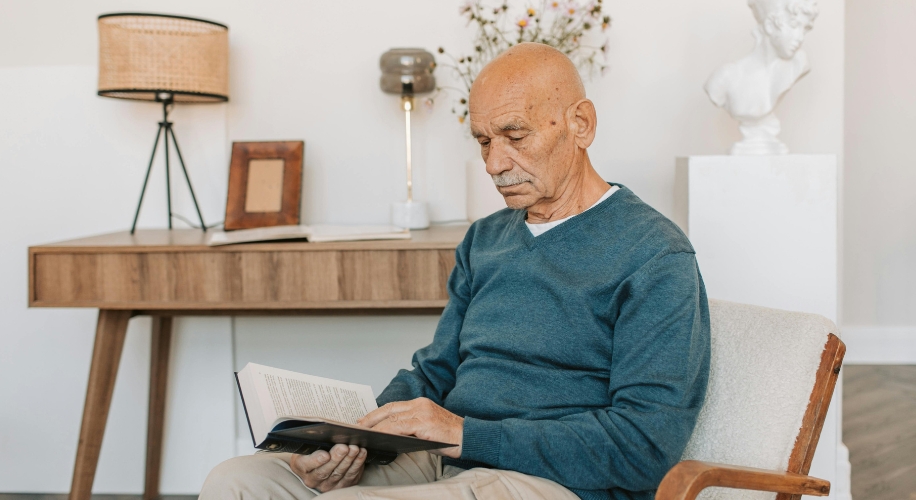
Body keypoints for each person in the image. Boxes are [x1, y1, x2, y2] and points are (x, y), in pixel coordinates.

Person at [200, 42, 710, 500]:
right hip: (448, 455)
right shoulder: (486, 239)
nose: (494, 163)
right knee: (237, 481)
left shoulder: (654, 255)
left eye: (515, 136)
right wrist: (355, 440)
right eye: (484, 141)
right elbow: (435, 374)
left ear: (581, 124)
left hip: (556, 482)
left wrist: (467, 434)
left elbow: (646, 446)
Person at [704, 0, 819, 155]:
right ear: (770, 26)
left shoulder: (799, 64)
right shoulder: (725, 78)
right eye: (793, 26)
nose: (800, 37)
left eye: (804, 29)